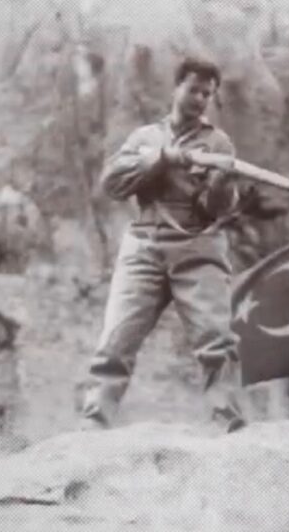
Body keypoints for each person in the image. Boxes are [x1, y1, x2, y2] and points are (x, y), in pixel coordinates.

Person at [79, 57, 246, 432]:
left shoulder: (218, 143)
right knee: (116, 339)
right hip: (145, 245)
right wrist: (162, 158)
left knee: (216, 341)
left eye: (207, 94)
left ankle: (226, 420)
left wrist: (222, 183)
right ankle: (95, 419)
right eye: (193, 90)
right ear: (176, 88)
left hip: (197, 247)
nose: (200, 99)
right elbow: (112, 183)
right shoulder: (144, 138)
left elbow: (215, 210)